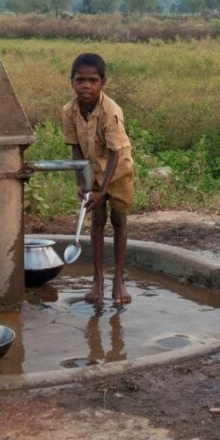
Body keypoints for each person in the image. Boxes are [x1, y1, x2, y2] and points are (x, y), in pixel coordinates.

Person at [62, 53, 136, 306]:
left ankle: (118, 279)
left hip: (119, 170)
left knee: (118, 221)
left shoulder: (111, 111)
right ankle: (97, 279)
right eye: (80, 80)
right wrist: (81, 184)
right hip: (92, 168)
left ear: (102, 82)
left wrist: (103, 191)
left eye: (92, 80)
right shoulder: (69, 111)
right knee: (96, 221)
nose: (86, 86)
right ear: (71, 81)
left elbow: (115, 153)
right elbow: (75, 150)